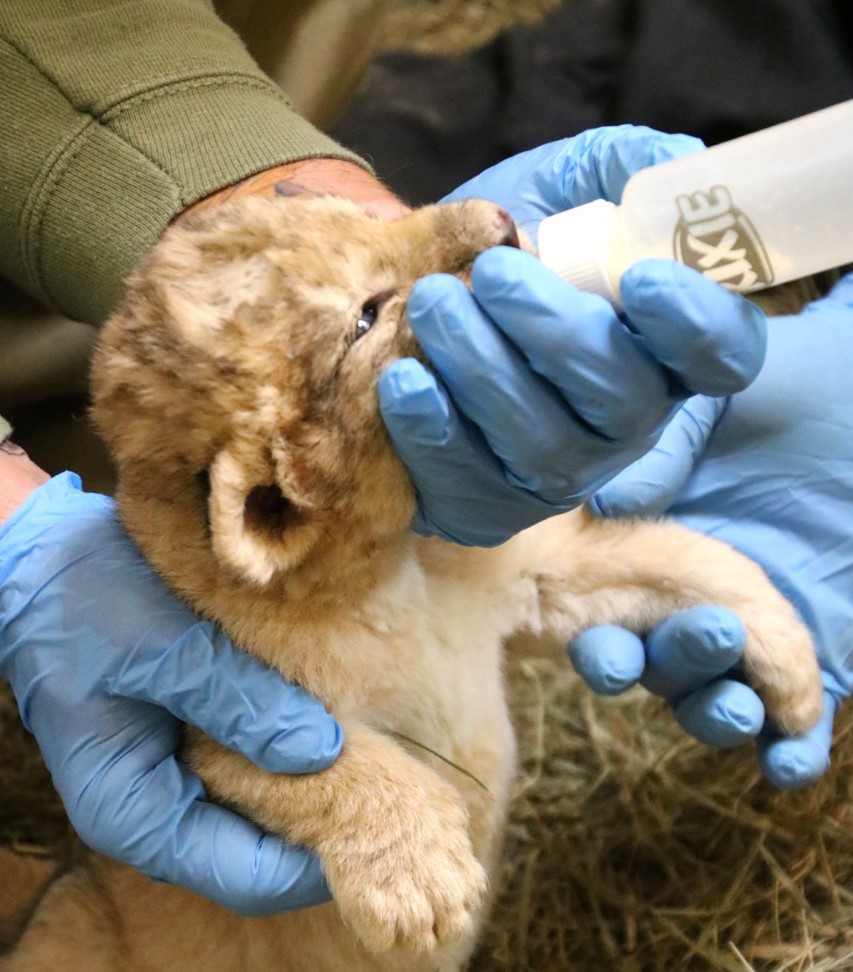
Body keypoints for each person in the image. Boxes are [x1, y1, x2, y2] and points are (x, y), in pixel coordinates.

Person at [0, 2, 833, 917]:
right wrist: (13, 529)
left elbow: (570, 572)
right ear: (275, 507)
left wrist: (299, 192)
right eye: (366, 317)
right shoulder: (254, 605)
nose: (481, 221)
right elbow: (251, 751)